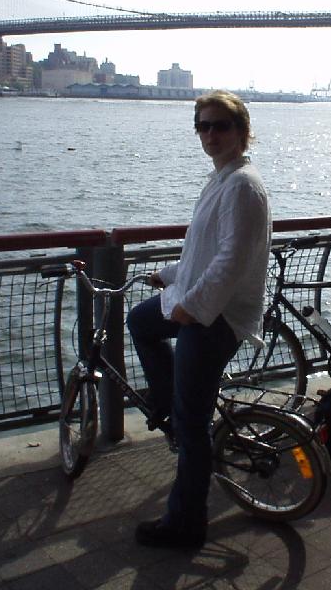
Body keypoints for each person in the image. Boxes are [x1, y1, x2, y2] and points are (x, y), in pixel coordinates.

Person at [127, 90, 271, 548]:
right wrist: (167, 276)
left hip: (217, 316)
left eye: (219, 126)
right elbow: (202, 252)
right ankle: (168, 400)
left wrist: (193, 307)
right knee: (141, 322)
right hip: (200, 304)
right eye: (202, 126)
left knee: (193, 427)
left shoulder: (243, 186)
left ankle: (186, 524)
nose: (209, 134)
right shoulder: (222, 180)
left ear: (242, 132)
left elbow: (230, 260)